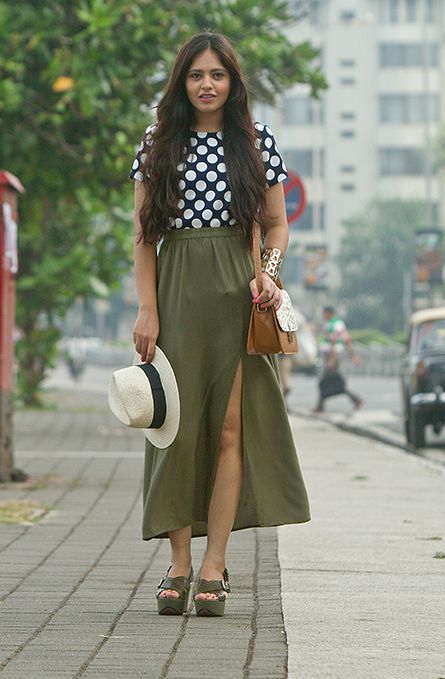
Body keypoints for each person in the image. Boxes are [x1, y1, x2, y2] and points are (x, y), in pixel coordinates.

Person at [129, 32, 310, 618]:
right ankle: (179, 563)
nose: (207, 85)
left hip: (238, 295)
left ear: (233, 83)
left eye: (218, 75)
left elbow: (277, 225)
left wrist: (269, 275)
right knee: (177, 431)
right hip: (176, 295)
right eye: (196, 75)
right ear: (181, 82)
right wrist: (148, 308)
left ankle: (214, 565)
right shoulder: (156, 143)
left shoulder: (256, 142)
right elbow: (144, 238)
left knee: (230, 432)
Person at [313, 305, 363, 414]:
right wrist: (353, 356)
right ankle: (321, 406)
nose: (324, 316)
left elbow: (334, 342)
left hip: (332, 356)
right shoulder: (339, 324)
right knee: (330, 381)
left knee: (325, 382)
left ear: (329, 313)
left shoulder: (332, 325)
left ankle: (355, 399)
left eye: (324, 313)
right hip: (332, 356)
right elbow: (347, 340)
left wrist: (331, 359)